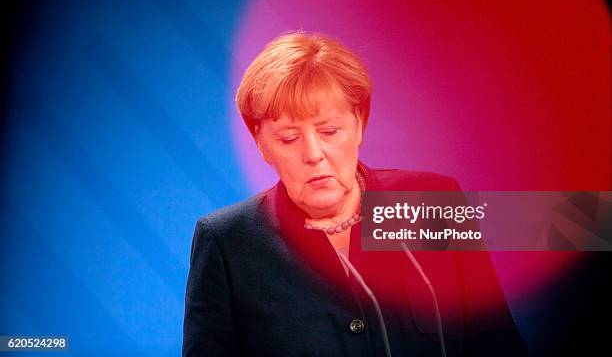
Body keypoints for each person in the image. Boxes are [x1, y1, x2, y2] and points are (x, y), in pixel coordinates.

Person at [183, 31, 527, 356]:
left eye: (330, 130)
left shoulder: (435, 203)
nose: (314, 153)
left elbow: (499, 346)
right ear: (261, 144)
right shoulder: (227, 242)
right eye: (289, 138)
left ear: (359, 124)